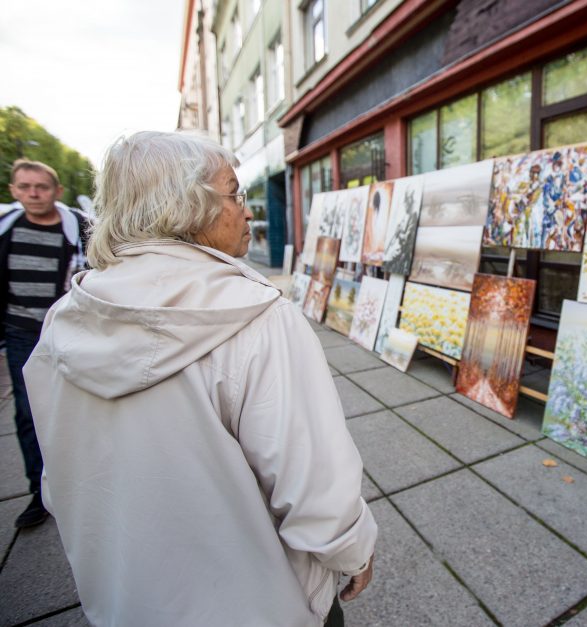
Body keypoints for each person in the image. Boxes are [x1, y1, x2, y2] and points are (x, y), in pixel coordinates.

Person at [23, 132, 376, 626]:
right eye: (234, 193)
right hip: (260, 605)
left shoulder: (64, 322)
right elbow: (315, 484)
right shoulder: (258, 319)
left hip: (128, 603)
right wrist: (353, 551)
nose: (248, 211)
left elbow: (58, 483)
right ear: (186, 206)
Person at [3, 159, 90, 528]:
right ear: (14, 191)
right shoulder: (7, 228)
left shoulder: (78, 229)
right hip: (22, 331)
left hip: (71, 330)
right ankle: (38, 494)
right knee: (28, 411)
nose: (33, 194)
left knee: (81, 407)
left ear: (56, 191)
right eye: (25, 187)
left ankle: (84, 484)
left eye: (41, 187)